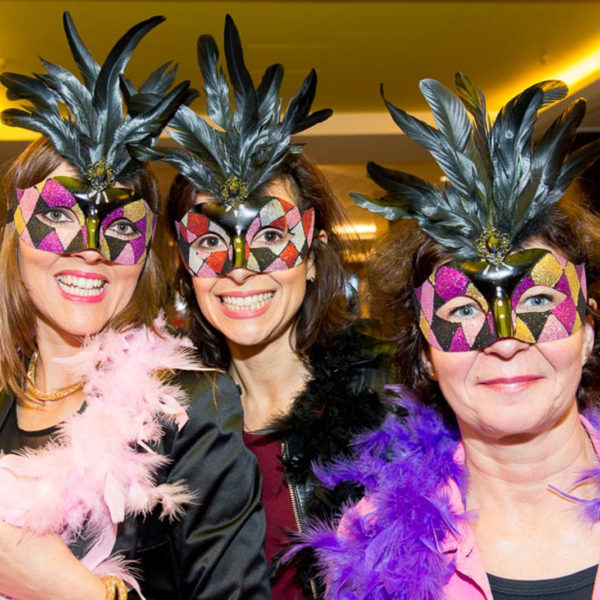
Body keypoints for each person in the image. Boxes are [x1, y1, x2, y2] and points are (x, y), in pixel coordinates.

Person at [0, 13, 269, 599]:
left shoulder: (193, 413)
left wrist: (69, 590)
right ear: (15, 236)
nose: (92, 250)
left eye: (120, 227)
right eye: (59, 216)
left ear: (143, 253)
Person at [300, 74, 600, 599]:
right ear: (425, 355)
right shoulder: (370, 548)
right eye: (462, 310)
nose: (505, 342)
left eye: (537, 301)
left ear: (588, 331)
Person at [133, 15, 390, 599]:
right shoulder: (159, 428)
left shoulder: (394, 407)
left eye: (271, 237)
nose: (240, 268)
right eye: (210, 242)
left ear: (312, 257)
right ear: (187, 268)